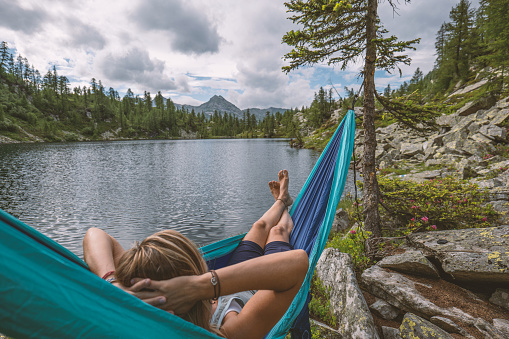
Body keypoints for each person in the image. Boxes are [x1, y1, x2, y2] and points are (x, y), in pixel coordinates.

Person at [83, 170, 308, 339]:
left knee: (259, 226)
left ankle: (281, 200)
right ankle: (285, 206)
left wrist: (111, 285)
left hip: (225, 281)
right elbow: (297, 263)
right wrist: (199, 286)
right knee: (277, 231)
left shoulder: (136, 302)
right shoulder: (228, 333)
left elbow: (94, 234)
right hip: (258, 282)